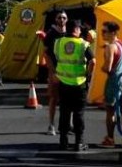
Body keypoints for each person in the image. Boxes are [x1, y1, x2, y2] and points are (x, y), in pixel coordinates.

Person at [51, 19, 95, 151]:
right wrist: (88, 75)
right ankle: (79, 142)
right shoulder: (83, 44)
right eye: (79, 29)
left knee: (64, 112)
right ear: (76, 30)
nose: (81, 31)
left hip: (63, 83)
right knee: (79, 113)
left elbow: (54, 58)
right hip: (79, 83)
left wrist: (56, 73)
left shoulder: (58, 42)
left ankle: (63, 141)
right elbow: (93, 61)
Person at [100, 21, 122, 149]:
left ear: (113, 33)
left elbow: (108, 67)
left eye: (104, 31)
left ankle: (110, 138)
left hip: (115, 80)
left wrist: (99, 67)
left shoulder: (111, 47)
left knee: (110, 110)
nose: (102, 34)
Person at [43, 10, 67, 136]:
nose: (61, 20)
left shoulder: (70, 33)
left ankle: (69, 124)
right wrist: (52, 71)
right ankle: (51, 124)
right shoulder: (51, 34)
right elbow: (46, 53)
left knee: (68, 99)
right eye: (59, 18)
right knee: (53, 98)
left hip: (68, 72)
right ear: (55, 20)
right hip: (55, 71)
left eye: (64, 18)